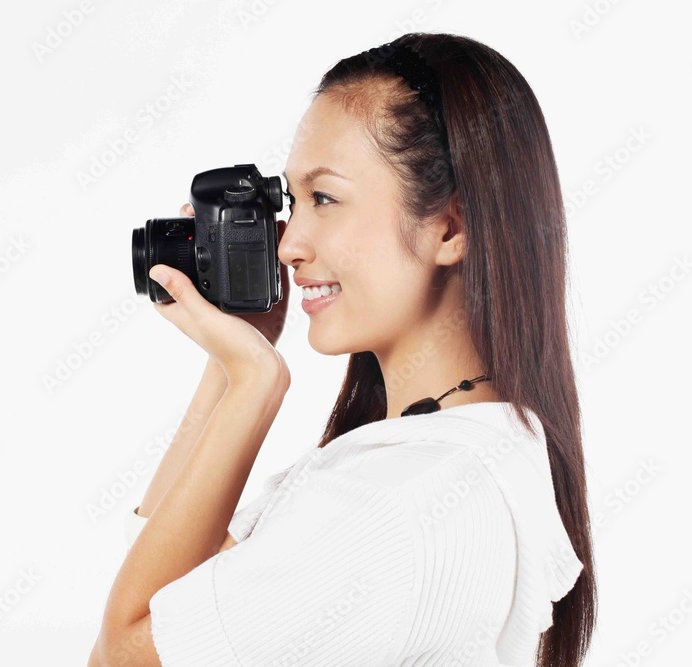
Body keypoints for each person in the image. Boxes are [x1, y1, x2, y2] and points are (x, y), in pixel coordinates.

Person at [89, 31, 596, 667]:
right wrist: (230, 366)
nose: (288, 245)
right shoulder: (460, 458)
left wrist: (254, 384)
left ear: (450, 227)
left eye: (325, 198)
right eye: (293, 202)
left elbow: (121, 656)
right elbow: (175, 603)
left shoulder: (393, 505)